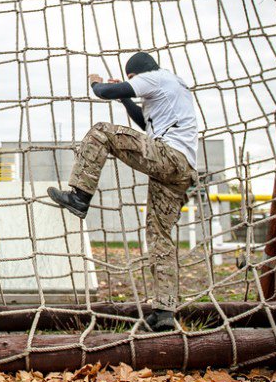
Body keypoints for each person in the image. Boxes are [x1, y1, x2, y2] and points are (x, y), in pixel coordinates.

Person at [48, 52, 198, 332]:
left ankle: (80, 196)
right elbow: (145, 124)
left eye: (132, 80)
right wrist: (126, 99)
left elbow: (104, 92)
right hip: (182, 169)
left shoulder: (155, 78)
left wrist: (97, 83)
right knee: (159, 237)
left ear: (136, 74)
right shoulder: (173, 84)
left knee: (101, 132)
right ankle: (164, 312)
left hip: (168, 156)